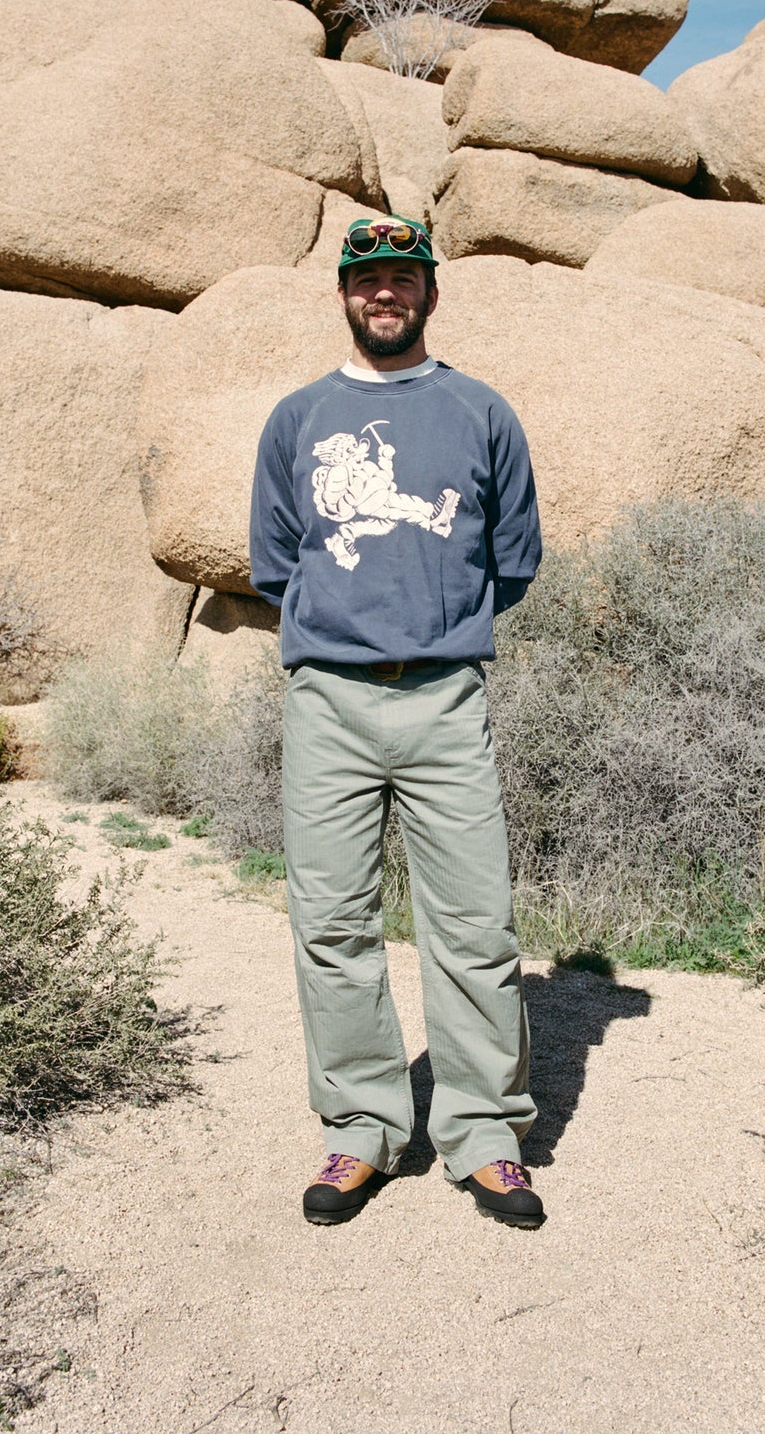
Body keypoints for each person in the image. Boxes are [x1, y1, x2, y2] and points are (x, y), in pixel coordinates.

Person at [249, 214, 546, 1231]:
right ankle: (363, 1129)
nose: (385, 293)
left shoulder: (479, 413)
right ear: (342, 292)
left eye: (402, 277)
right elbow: (273, 557)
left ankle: (484, 1137)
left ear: (429, 291)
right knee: (331, 925)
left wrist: (435, 624)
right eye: (367, 278)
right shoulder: (297, 419)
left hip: (444, 697)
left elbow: (512, 560)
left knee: (471, 924)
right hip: (327, 699)